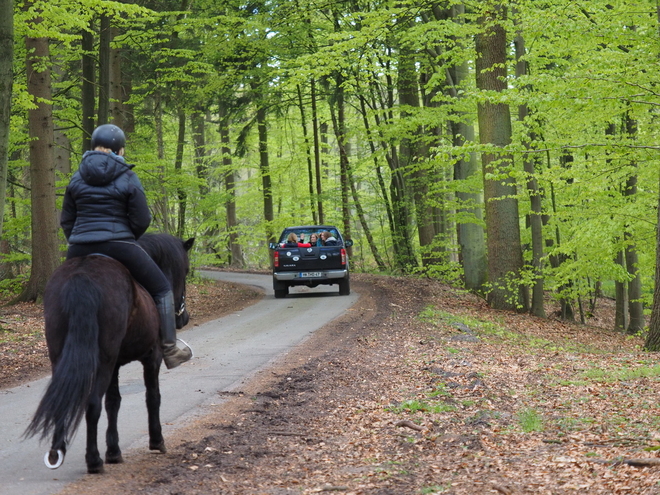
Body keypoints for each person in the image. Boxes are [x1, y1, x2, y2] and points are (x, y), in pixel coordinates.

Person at [60, 124, 193, 370]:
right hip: (119, 246)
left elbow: (67, 220)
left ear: (93, 148)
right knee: (162, 289)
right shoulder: (126, 175)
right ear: (120, 150)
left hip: (78, 248)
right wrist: (127, 238)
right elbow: (142, 218)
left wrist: (79, 239)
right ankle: (170, 349)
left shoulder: (77, 176)